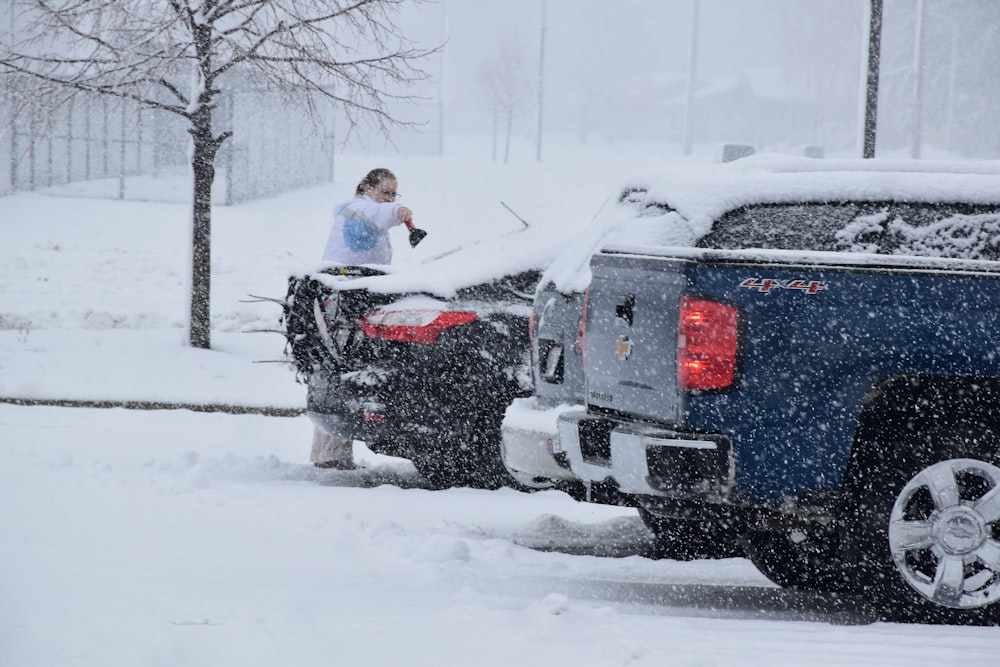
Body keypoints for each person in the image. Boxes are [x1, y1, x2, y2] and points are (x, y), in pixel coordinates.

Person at [311, 168, 416, 470]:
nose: (390, 198)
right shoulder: (358, 209)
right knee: (341, 372)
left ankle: (329, 454)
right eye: (385, 192)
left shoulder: (362, 213)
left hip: (346, 299)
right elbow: (382, 213)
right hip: (343, 303)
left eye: (394, 194)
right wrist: (400, 210)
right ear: (367, 187)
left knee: (339, 372)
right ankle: (332, 456)